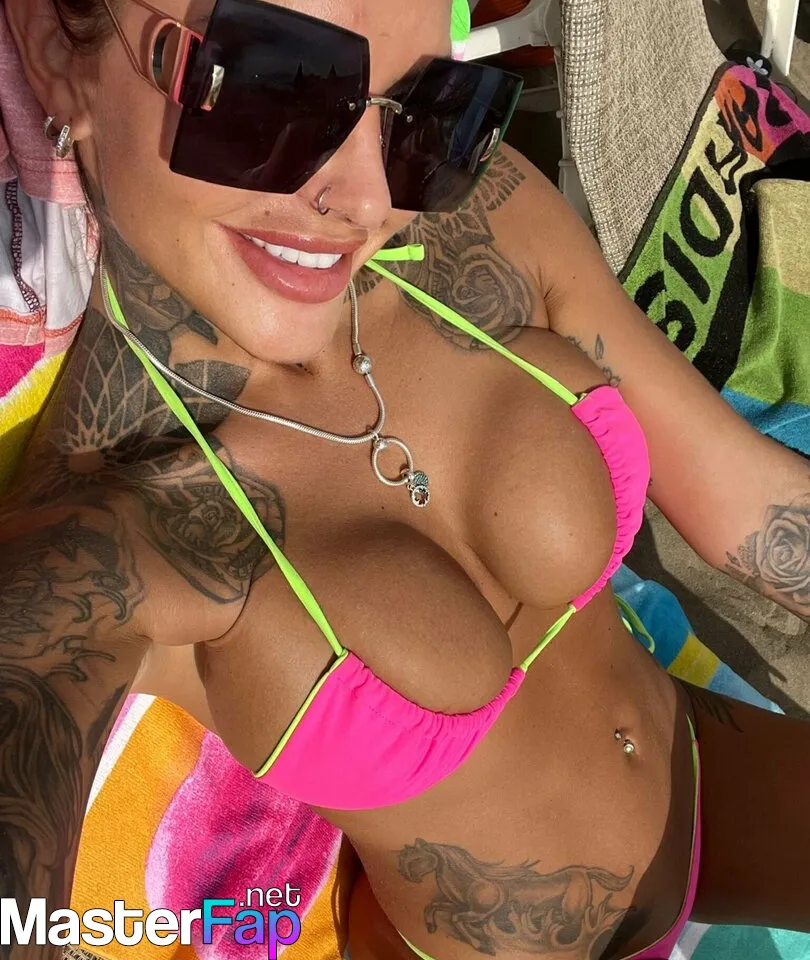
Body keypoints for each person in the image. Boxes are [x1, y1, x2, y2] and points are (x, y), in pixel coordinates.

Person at [1, 1, 809, 959]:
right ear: (54, 49)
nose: (368, 198)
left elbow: (748, 502)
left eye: (429, 108)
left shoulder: (479, 219)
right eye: (278, 84)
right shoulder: (108, 533)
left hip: (703, 770)